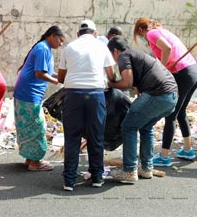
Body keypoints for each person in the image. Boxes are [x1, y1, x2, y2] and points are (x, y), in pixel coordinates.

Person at [107, 36, 178, 184]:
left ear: (115, 51)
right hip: (171, 97)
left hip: (158, 94)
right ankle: (146, 168)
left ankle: (129, 170)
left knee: (128, 126)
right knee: (146, 127)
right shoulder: (138, 55)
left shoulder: (123, 56)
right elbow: (138, 87)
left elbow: (127, 82)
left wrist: (108, 84)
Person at [58, 19, 116, 191]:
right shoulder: (102, 46)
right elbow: (112, 75)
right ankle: (97, 177)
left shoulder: (69, 47)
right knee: (96, 136)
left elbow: (61, 78)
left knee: (72, 137)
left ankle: (69, 180)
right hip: (96, 95)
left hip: (73, 95)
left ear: (78, 34)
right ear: (95, 33)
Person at [133, 17, 197, 166]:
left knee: (171, 113)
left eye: (140, 35)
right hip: (192, 71)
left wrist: (161, 70)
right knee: (180, 113)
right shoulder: (162, 31)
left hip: (182, 73)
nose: (143, 39)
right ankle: (187, 150)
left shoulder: (151, 33)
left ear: (141, 29)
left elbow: (167, 48)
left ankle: (164, 156)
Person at [13, 25, 65, 171]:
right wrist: (57, 81)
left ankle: (30, 159)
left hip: (25, 93)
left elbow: (48, 71)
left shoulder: (44, 48)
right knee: (37, 127)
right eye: (60, 40)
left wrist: (61, 77)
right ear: (52, 36)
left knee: (28, 126)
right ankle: (35, 163)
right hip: (29, 94)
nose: (60, 44)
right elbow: (39, 74)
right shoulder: (43, 48)